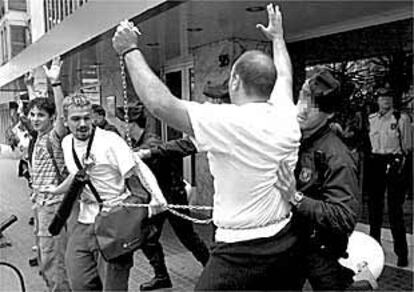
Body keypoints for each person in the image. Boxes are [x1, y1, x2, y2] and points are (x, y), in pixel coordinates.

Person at [113, 4, 303, 290]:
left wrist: (129, 50)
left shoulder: (229, 121)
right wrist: (277, 38)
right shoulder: (286, 114)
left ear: (235, 80)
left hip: (240, 252)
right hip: (285, 241)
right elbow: (285, 75)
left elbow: (160, 104)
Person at [59, 94, 164, 291]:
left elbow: (139, 168)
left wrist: (157, 197)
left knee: (112, 287)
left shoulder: (110, 141)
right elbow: (76, 175)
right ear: (65, 121)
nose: (82, 123)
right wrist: (55, 190)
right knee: (78, 282)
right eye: (75, 119)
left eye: (86, 117)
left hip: (114, 221)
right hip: (84, 222)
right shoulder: (66, 143)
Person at [275, 70, 360, 290]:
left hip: (322, 251)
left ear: (329, 113)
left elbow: (345, 216)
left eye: (315, 105)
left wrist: (296, 197)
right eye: (303, 97)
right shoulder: (292, 137)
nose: (303, 108)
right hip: (289, 244)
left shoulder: (336, 156)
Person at [116, 106, 209, 291]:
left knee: (187, 237)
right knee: (147, 237)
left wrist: (141, 153)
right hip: (157, 199)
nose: (118, 127)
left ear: (129, 124)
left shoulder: (151, 141)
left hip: (173, 196)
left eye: (120, 123)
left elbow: (153, 149)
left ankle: (210, 268)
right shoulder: (135, 142)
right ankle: (162, 276)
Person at [27, 57, 71, 291]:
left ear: (51, 118)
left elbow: (62, 117)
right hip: (40, 204)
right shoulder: (37, 138)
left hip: (53, 204)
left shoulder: (54, 136)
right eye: (32, 114)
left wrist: (55, 84)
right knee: (45, 259)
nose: (35, 119)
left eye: (40, 115)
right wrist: (30, 86)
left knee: (53, 259)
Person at [367, 86, 412, 267]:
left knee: (395, 210)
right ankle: (374, 248)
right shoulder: (372, 119)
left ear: (392, 100)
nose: (385, 100)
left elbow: (408, 146)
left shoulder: (401, 118)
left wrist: (401, 164)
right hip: (376, 162)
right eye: (381, 97)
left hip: (394, 162)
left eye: (388, 97)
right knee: (374, 208)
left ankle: (401, 253)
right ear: (377, 100)